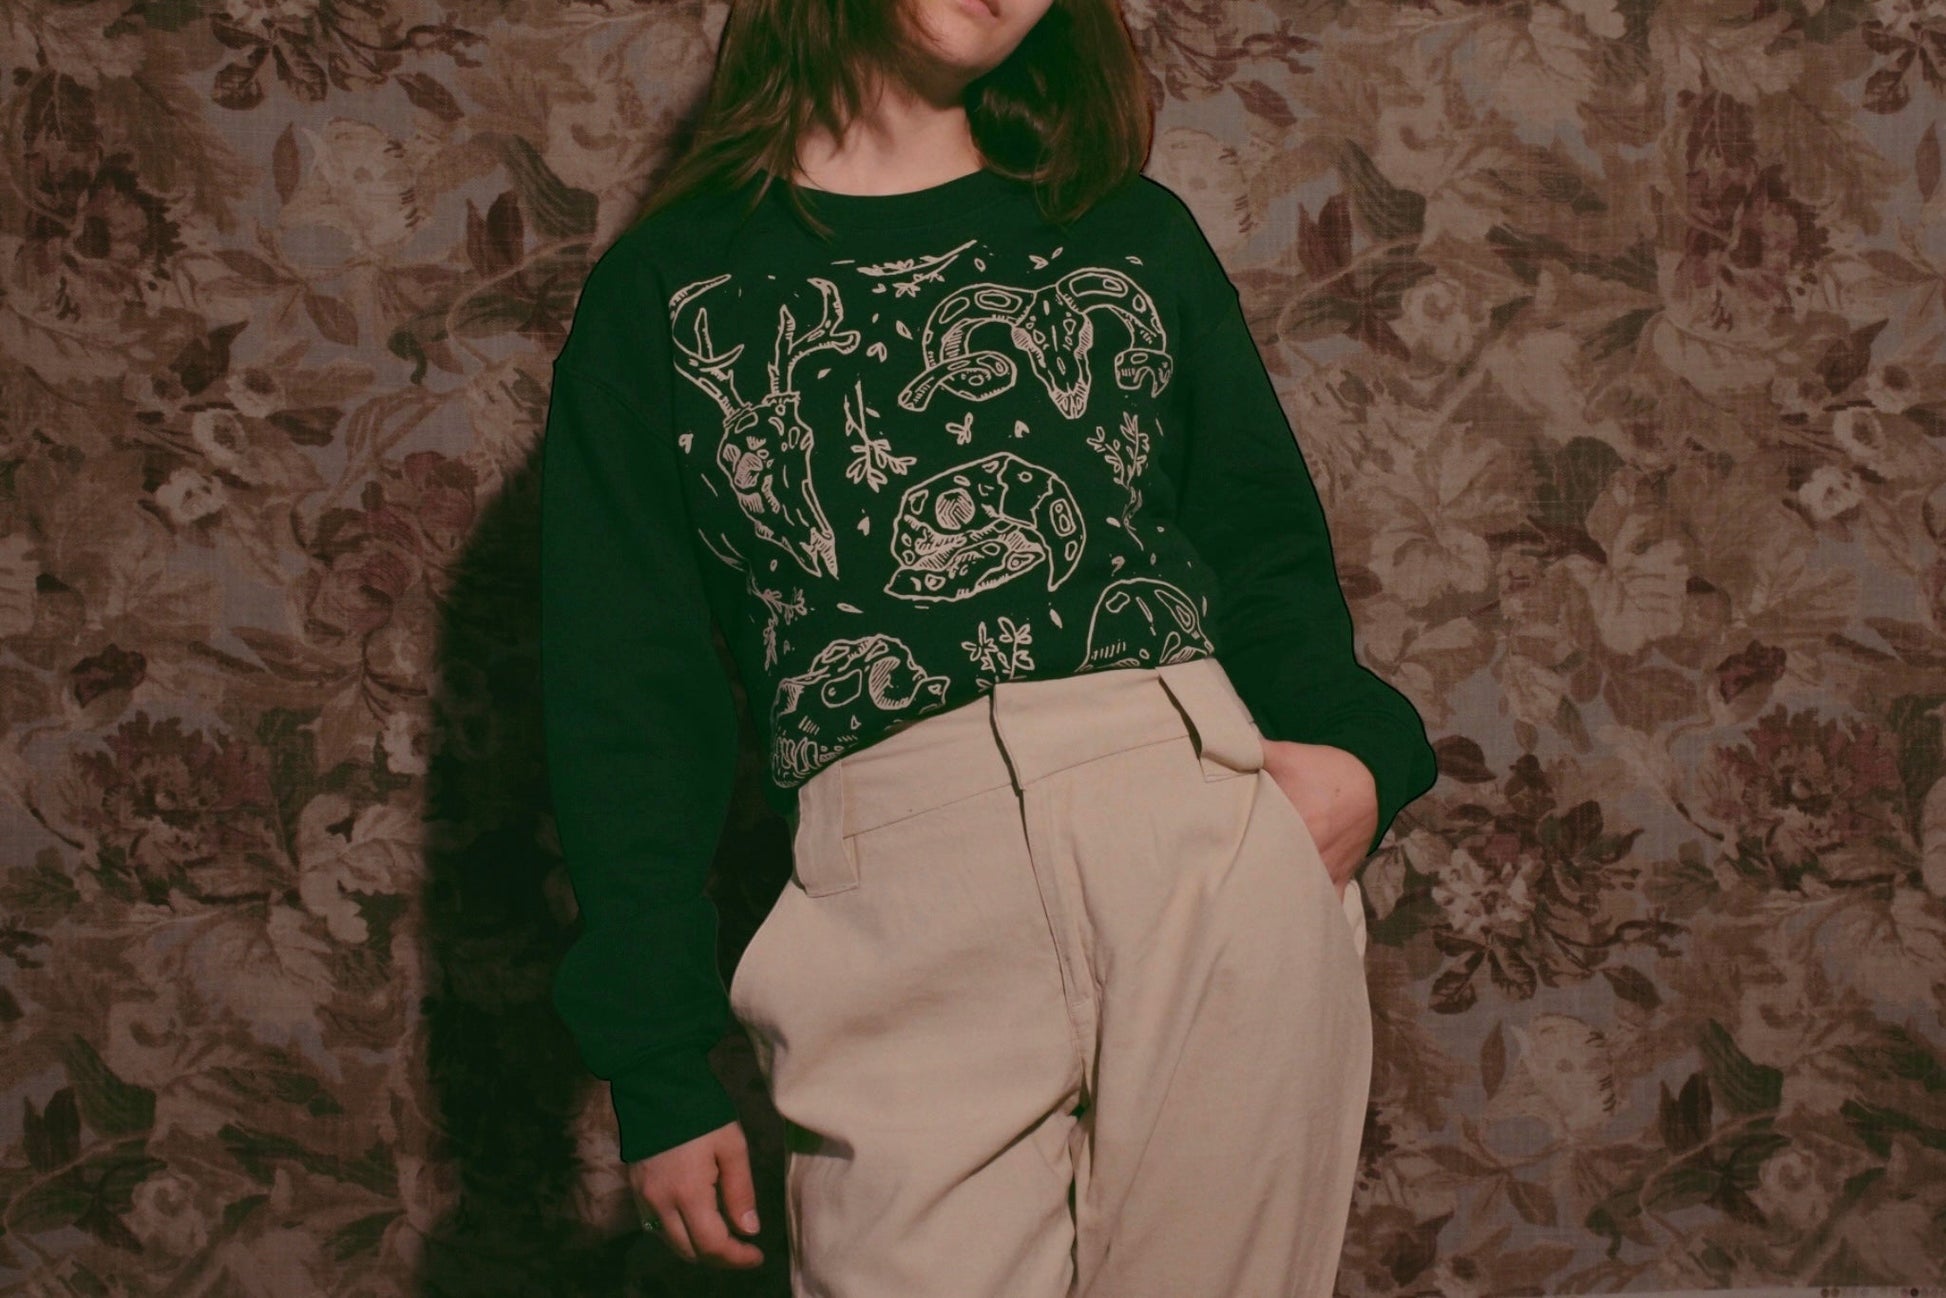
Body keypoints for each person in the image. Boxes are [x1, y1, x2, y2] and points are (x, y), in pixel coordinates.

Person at [537, 0, 1439, 1291]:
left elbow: (1263, 555)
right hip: (893, 899)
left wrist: (1361, 755)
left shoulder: (1129, 234)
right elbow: (628, 695)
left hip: (1197, 846)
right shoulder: (668, 291)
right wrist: (658, 1065)